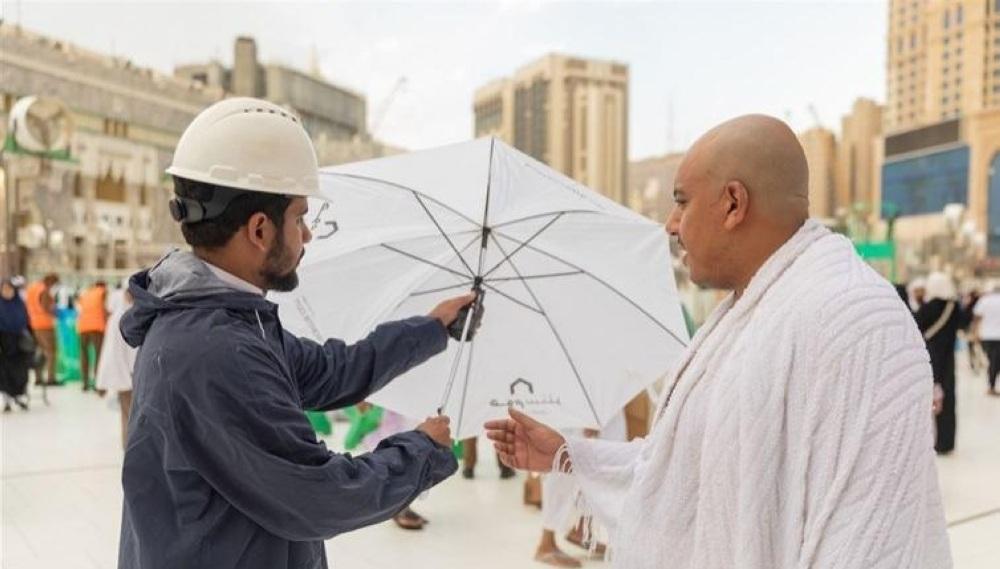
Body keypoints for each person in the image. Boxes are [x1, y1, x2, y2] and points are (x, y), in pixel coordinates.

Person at [486, 115, 952, 569]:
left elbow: (876, 538)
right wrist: (567, 455)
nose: (671, 225)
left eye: (682, 202)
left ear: (733, 203)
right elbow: (682, 473)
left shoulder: (856, 318)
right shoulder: (745, 313)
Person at [118, 97, 473, 569]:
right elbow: (321, 495)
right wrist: (422, 451)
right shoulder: (216, 349)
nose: (306, 235)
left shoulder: (224, 319)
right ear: (260, 229)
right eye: (300, 218)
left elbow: (329, 371)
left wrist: (433, 328)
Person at [914, 272, 967, 454]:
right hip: (948, 358)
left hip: (930, 357)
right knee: (949, 399)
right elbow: (963, 324)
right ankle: (947, 441)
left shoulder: (930, 307)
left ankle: (931, 441)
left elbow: (916, 324)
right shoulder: (954, 307)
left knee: (930, 399)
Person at [96, 289, 137, 447]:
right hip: (128, 374)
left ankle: (129, 446)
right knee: (130, 414)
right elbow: (122, 350)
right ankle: (130, 447)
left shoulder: (120, 316)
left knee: (128, 414)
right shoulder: (123, 317)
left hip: (126, 374)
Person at [0, 278, 32, 411]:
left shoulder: (20, 304)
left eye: (10, 289)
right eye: (4, 289)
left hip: (19, 344)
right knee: (4, 373)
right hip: (3, 344)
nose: (7, 292)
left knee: (20, 373)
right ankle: (7, 399)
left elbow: (26, 321)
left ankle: (19, 397)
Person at [25, 273, 60, 386]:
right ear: (50, 281)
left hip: (34, 324)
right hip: (45, 325)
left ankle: (38, 377)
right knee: (51, 352)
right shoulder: (44, 290)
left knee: (39, 351)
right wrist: (55, 312)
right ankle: (51, 378)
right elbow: (46, 307)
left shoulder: (32, 288)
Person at [77, 280, 108, 392]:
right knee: (99, 356)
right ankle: (97, 383)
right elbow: (105, 309)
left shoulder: (86, 293)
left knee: (84, 356)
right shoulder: (103, 292)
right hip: (96, 327)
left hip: (83, 326)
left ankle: (85, 383)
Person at [973, 282, 1000, 396]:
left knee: (992, 360)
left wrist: (976, 333)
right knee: (995, 361)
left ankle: (991, 385)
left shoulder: (984, 300)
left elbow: (977, 318)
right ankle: (991, 386)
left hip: (986, 336)